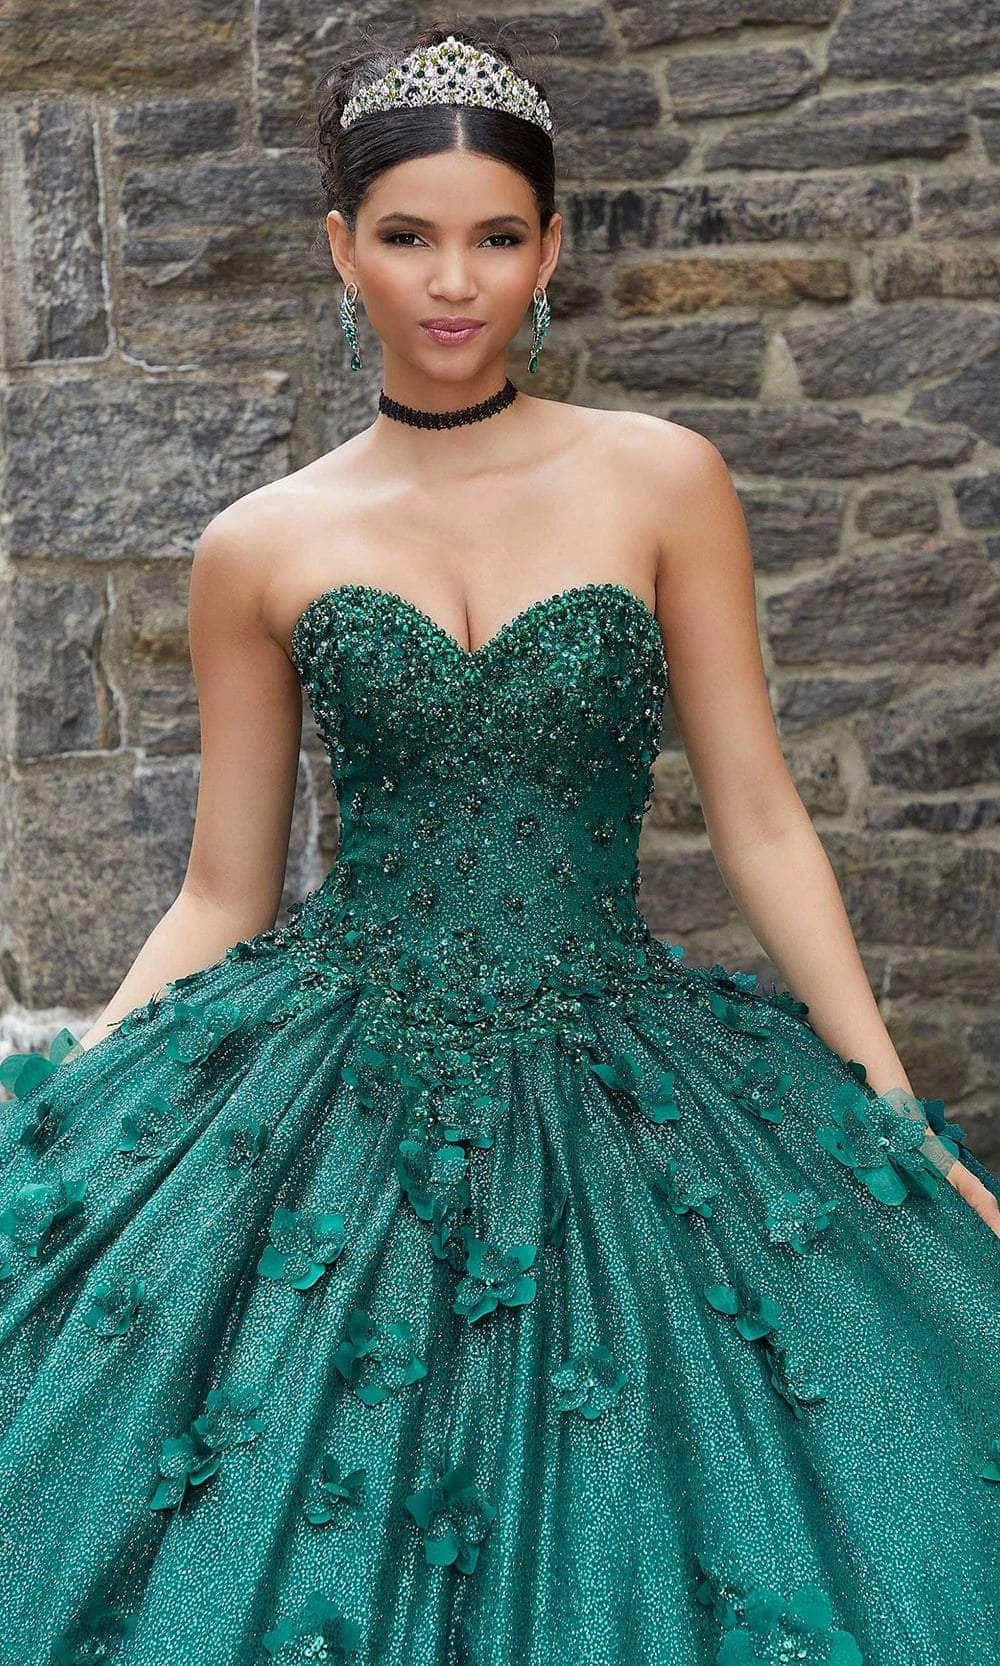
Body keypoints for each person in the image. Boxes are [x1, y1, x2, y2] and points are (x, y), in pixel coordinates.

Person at [0, 25, 997, 1666]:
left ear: (551, 247)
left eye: (496, 236)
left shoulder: (663, 478)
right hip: (335, 1072)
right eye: (408, 236)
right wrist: (77, 1126)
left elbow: (758, 813)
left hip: (617, 1058)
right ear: (342, 248)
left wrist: (885, 1102)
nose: (454, 282)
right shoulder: (258, 543)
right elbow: (221, 888)